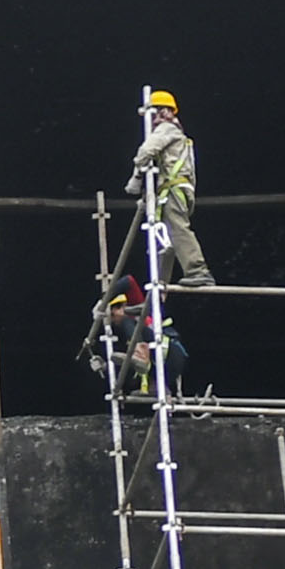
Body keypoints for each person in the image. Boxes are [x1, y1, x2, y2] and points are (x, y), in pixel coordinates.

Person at [132, 90, 215, 288]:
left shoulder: (166, 128)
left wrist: (135, 176)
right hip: (178, 190)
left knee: (178, 229)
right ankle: (159, 288)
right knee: (165, 243)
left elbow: (147, 151)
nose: (151, 121)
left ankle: (197, 270)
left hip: (173, 190)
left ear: (161, 111)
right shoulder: (177, 133)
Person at [101, 285, 181, 403]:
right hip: (164, 364)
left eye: (113, 315)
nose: (112, 320)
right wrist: (105, 367)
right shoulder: (130, 335)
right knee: (133, 359)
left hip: (171, 352)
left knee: (126, 320)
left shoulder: (134, 314)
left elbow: (129, 281)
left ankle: (142, 355)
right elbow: (128, 365)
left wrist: (106, 299)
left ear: (124, 307)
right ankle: (158, 387)